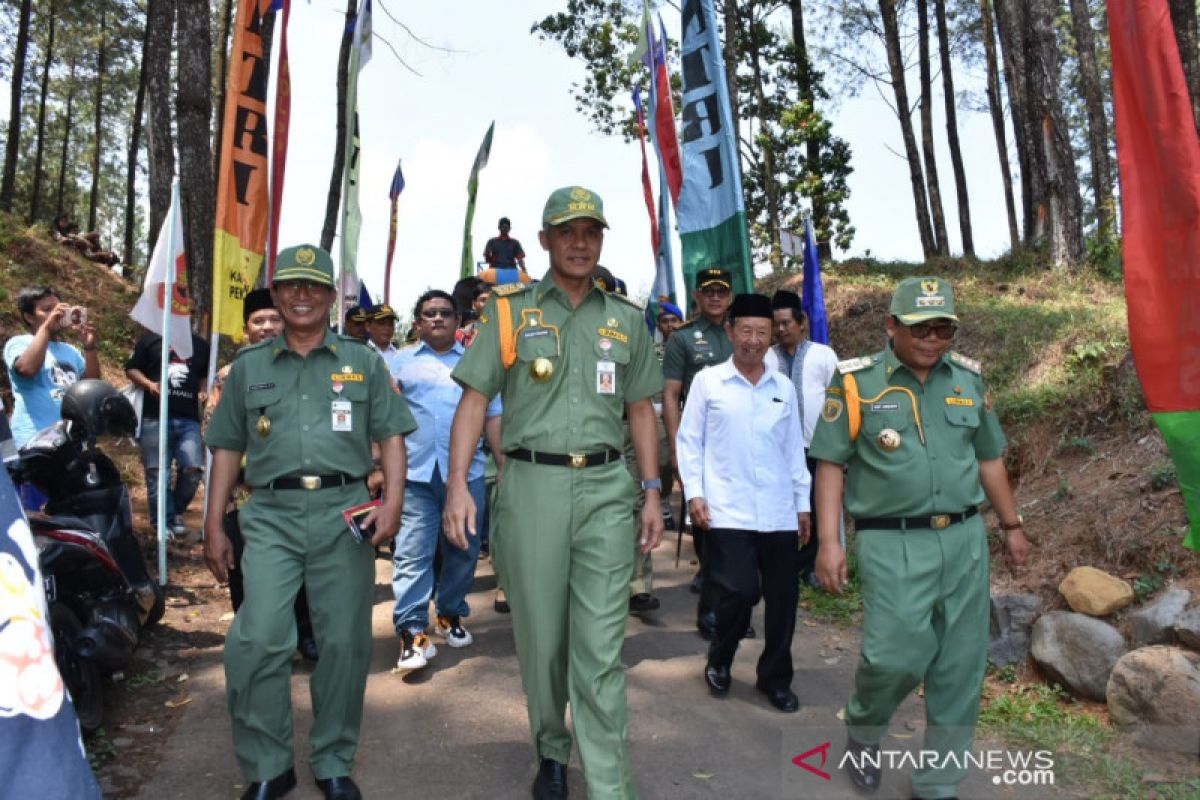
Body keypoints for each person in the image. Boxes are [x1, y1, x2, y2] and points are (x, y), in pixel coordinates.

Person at [444, 186, 664, 800]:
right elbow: (473, 399)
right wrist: (459, 484)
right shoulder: (511, 312)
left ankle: (611, 787)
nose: (579, 242)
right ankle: (550, 745)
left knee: (599, 648)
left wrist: (651, 492)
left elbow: (642, 410)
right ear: (542, 241)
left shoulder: (624, 319)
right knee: (542, 640)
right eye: (566, 232)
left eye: (590, 232)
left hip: (605, 488)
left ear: (600, 240)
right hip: (532, 485)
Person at [203, 244, 416, 800]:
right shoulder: (249, 367)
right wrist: (213, 525)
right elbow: (225, 448)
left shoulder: (363, 360)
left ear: (329, 298)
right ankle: (269, 765)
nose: (301, 296)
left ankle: (333, 759)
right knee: (258, 640)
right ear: (275, 294)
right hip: (269, 513)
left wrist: (392, 502)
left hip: (344, 512)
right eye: (290, 286)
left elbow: (392, 435)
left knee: (343, 644)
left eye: (313, 286)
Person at [809, 276, 1031, 799]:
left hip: (964, 537)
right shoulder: (856, 383)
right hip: (892, 540)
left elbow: (989, 458)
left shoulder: (969, 382)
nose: (933, 339)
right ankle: (863, 728)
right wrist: (829, 541)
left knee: (960, 664)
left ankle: (938, 781)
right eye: (920, 328)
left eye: (943, 329)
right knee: (895, 656)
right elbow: (831, 465)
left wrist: (1012, 526)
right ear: (891, 326)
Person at [675, 293, 811, 713]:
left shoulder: (782, 387)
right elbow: (689, 442)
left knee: (783, 600)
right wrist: (694, 494)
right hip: (726, 509)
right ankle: (721, 654)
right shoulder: (708, 382)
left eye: (762, 333)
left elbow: (793, 451)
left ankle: (774, 678)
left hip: (777, 512)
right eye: (746, 331)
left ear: (772, 337)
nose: (753, 340)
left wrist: (802, 503)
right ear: (731, 332)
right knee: (740, 591)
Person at [203, 288, 318, 663]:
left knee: (303, 573)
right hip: (246, 496)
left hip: (300, 495)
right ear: (245, 329)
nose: (268, 327)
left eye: (274, 319)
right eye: (259, 321)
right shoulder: (229, 376)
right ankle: (257, 645)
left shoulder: (306, 366)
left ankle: (304, 634)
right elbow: (217, 438)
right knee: (246, 576)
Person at [391, 289, 503, 673]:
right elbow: (383, 422)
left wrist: (503, 466)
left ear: (458, 320)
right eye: (429, 314)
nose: (437, 319)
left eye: (444, 313)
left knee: (463, 550)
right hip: (415, 475)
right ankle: (412, 633)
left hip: (468, 474)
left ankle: (450, 614)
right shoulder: (397, 364)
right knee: (413, 553)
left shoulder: (478, 363)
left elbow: (492, 417)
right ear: (418, 322)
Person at [661, 267, 738, 640]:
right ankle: (709, 608)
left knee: (742, 529)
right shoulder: (683, 339)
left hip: (741, 447)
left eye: (721, 291)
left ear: (730, 295)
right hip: (704, 446)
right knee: (707, 526)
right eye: (708, 291)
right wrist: (677, 447)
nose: (715, 297)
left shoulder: (742, 333)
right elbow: (671, 396)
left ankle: (734, 608)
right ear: (697, 296)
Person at [770, 290, 838, 584]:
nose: (781, 329)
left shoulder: (823, 355)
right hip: (777, 452)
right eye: (777, 324)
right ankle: (784, 565)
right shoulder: (767, 358)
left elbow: (838, 402)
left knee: (816, 505)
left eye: (786, 323)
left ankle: (811, 566)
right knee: (783, 508)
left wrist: (838, 450)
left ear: (802, 323)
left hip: (816, 448)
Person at [125, 327, 211, 536]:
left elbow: (203, 374)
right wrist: (149, 385)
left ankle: (173, 512)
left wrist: (202, 390)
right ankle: (162, 524)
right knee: (157, 473)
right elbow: (131, 369)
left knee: (192, 469)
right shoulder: (152, 340)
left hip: (188, 418)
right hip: (154, 417)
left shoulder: (200, 344)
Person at [5, 287, 101, 462]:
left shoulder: (70, 350)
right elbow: (27, 369)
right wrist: (47, 328)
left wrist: (89, 348)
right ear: (29, 317)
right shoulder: (18, 343)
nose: (56, 314)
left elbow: (91, 387)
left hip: (70, 442)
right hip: (33, 441)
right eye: (47, 310)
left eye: (59, 309)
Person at [365, 304, 401, 377]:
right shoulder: (361, 353)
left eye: (390, 324)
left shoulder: (400, 356)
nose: (387, 328)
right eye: (381, 323)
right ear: (368, 326)